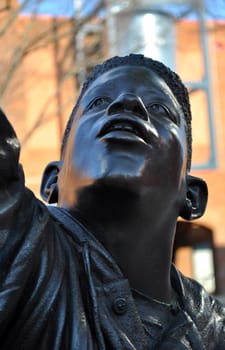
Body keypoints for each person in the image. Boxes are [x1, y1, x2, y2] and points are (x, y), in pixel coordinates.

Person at [0, 53, 224, 349]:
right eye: (98, 103)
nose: (128, 103)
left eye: (159, 108)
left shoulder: (212, 331)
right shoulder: (18, 243)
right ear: (52, 180)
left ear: (192, 196)